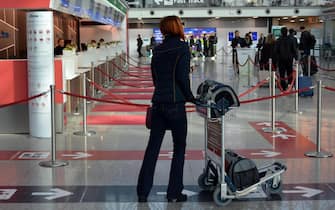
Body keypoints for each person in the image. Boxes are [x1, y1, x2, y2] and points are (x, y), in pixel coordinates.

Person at [137, 15, 195, 203]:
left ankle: (143, 192)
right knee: (179, 148)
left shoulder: (158, 50)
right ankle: (174, 193)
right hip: (176, 105)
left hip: (158, 104)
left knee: (152, 148)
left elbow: (155, 78)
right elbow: (182, 78)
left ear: (163, 30)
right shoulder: (182, 48)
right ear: (178, 27)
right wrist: (191, 97)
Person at [275, 27, 298, 91]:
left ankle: (283, 87)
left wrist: (276, 59)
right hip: (289, 59)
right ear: (287, 32)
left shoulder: (278, 40)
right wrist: (296, 58)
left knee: (282, 73)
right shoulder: (291, 39)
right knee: (289, 72)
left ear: (281, 32)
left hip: (281, 59)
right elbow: (294, 49)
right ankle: (290, 85)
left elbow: (276, 51)